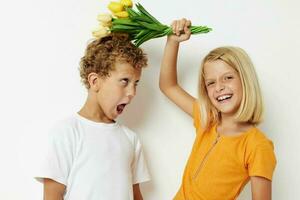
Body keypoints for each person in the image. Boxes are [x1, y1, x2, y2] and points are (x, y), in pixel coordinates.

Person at [159, 18, 276, 200]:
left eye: (228, 78)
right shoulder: (207, 119)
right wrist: (172, 42)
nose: (219, 87)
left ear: (245, 80)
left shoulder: (257, 145)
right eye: (211, 82)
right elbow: (168, 86)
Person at [35, 33, 150, 200]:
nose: (132, 92)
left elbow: (136, 196)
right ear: (95, 81)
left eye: (136, 83)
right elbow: (52, 195)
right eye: (124, 81)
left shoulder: (130, 139)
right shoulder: (67, 132)